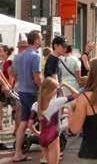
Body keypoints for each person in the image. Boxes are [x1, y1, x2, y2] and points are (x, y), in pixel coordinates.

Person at [28, 78, 79, 164]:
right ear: (51, 90)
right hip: (53, 137)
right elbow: (76, 94)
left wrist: (37, 133)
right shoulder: (56, 102)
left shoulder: (35, 105)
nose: (57, 91)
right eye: (56, 89)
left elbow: (29, 125)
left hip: (42, 138)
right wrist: (65, 84)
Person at [12, 30, 43, 162]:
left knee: (23, 123)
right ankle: (46, 154)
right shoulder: (35, 56)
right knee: (44, 119)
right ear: (36, 40)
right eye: (40, 38)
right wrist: (42, 89)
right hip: (33, 93)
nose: (41, 40)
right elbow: (37, 78)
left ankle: (17, 153)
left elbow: (13, 73)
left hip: (22, 91)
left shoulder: (18, 56)